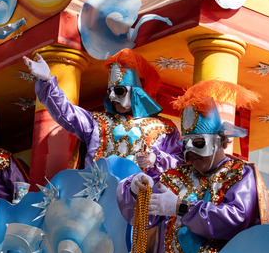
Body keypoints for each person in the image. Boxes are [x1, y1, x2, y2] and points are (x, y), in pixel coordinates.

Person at [117, 80, 269, 253]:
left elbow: (235, 220)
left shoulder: (240, 174)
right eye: (186, 144)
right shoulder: (176, 176)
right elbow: (143, 215)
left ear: (221, 140)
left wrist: (182, 208)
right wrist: (135, 190)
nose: (190, 151)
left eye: (199, 143)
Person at [24, 48, 180, 175]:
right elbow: (65, 112)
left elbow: (180, 164)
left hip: (140, 206)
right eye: (110, 92)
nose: (112, 97)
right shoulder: (97, 122)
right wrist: (47, 81)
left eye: (119, 91)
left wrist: (157, 159)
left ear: (137, 91)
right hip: (96, 205)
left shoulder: (165, 128)